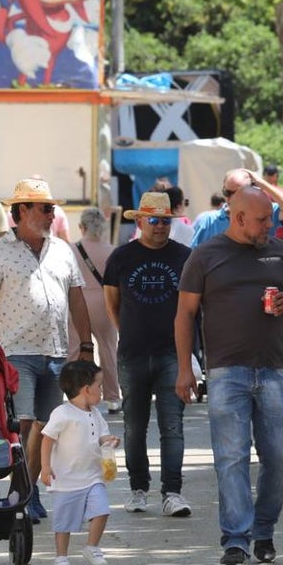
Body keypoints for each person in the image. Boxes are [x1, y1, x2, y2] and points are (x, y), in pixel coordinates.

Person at [174, 185, 283, 565]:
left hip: (273, 371)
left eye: (269, 218)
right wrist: (186, 368)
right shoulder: (205, 256)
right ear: (237, 218)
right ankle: (235, 540)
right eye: (260, 220)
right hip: (225, 373)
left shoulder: (278, 252)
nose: (267, 226)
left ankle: (264, 530)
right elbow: (185, 314)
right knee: (231, 458)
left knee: (277, 456)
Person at [0, 179, 95, 525]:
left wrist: (87, 347)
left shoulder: (62, 249)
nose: (51, 214)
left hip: (56, 352)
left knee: (46, 428)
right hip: (16, 352)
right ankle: (22, 492)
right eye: (45, 208)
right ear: (22, 211)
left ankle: (27, 491)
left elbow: (76, 298)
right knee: (25, 422)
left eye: (52, 208)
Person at [104, 192, 192, 517]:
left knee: (173, 426)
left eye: (165, 221)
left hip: (173, 353)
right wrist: (127, 332)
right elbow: (112, 303)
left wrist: (190, 359)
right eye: (153, 220)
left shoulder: (185, 256)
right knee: (134, 426)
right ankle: (138, 489)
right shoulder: (121, 257)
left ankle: (173, 492)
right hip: (133, 354)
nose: (159, 227)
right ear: (139, 221)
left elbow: (194, 305)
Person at [40, 360, 120, 565]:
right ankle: (61, 556)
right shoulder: (62, 413)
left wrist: (109, 441)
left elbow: (102, 436)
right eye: (99, 386)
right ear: (86, 389)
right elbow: (47, 438)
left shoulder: (96, 414)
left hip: (93, 476)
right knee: (63, 522)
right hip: (66, 479)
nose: (101, 391)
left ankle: (92, 546)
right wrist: (45, 467)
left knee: (102, 510)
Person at [68, 207, 121, 412]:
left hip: (78, 302)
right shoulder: (112, 251)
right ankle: (113, 397)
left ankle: (75, 395)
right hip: (104, 303)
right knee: (108, 350)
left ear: (82, 227)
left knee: (75, 350)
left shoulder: (71, 249)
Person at [189, 168, 283, 248]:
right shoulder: (209, 222)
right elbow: (193, 261)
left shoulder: (266, 213)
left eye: (236, 193)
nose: (229, 198)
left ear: (251, 192)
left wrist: (262, 183)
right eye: (226, 192)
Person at [262, 164, 283, 242]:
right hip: (279, 236)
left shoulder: (257, 192)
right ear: (276, 176)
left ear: (264, 175)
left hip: (261, 235)